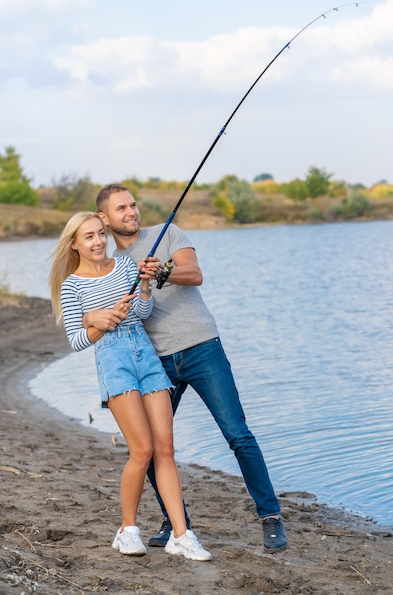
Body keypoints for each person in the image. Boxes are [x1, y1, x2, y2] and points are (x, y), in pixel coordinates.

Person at [85, 185, 288, 553]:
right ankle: (175, 523)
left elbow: (194, 273)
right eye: (121, 208)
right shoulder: (112, 262)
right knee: (148, 447)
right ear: (104, 217)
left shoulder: (168, 234)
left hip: (201, 348)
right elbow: (91, 301)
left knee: (238, 435)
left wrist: (162, 271)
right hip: (156, 361)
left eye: (133, 205)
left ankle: (270, 517)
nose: (131, 212)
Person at [49, 211, 212, 561]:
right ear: (75, 244)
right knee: (142, 451)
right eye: (88, 237)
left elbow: (142, 313)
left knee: (165, 449)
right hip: (114, 360)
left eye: (99, 234)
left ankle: (181, 535)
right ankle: (127, 530)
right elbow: (77, 341)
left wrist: (143, 286)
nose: (97, 241)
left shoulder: (124, 265)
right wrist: (100, 322)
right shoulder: (72, 285)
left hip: (146, 356)